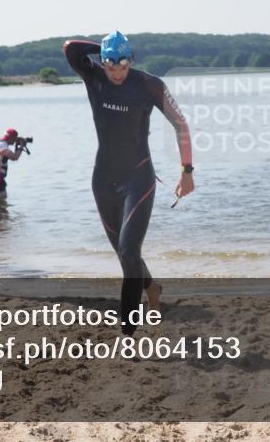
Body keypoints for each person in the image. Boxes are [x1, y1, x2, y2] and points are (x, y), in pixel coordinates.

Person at [64, 30, 194, 335]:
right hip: (103, 180)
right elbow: (70, 48)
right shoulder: (93, 76)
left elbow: (181, 125)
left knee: (129, 250)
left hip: (138, 178)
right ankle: (152, 288)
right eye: (111, 65)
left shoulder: (149, 85)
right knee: (125, 255)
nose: (117, 73)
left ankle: (128, 333)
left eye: (123, 65)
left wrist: (187, 170)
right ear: (103, 62)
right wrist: (104, 49)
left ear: (131, 60)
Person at [0, 128, 26, 198]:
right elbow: (14, 157)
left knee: (0, 200)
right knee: (2, 197)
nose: (15, 141)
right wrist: (21, 146)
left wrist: (18, 147)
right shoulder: (2, 146)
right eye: (15, 138)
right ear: (11, 138)